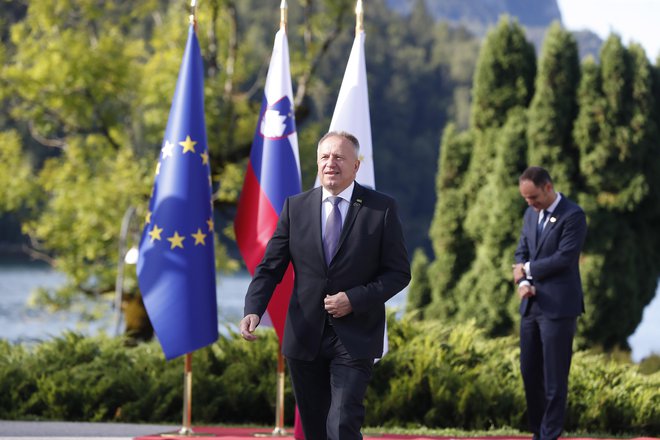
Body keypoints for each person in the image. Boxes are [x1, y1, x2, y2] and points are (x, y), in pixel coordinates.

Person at [239, 131, 411, 440]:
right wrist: (254, 308)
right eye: (324, 157)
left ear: (356, 166)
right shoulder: (296, 207)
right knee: (316, 431)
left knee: (342, 424)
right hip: (304, 337)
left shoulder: (381, 209)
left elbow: (398, 273)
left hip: (355, 336)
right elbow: (270, 267)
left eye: (339, 157)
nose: (331, 163)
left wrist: (354, 299)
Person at [512, 166, 587, 440]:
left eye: (533, 197)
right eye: (525, 199)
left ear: (547, 187)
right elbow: (521, 251)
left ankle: (550, 435)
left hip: (559, 308)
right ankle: (537, 432)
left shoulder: (573, 215)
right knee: (529, 372)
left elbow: (565, 258)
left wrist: (527, 270)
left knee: (554, 378)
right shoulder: (530, 215)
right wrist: (522, 282)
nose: (530, 203)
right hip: (531, 307)